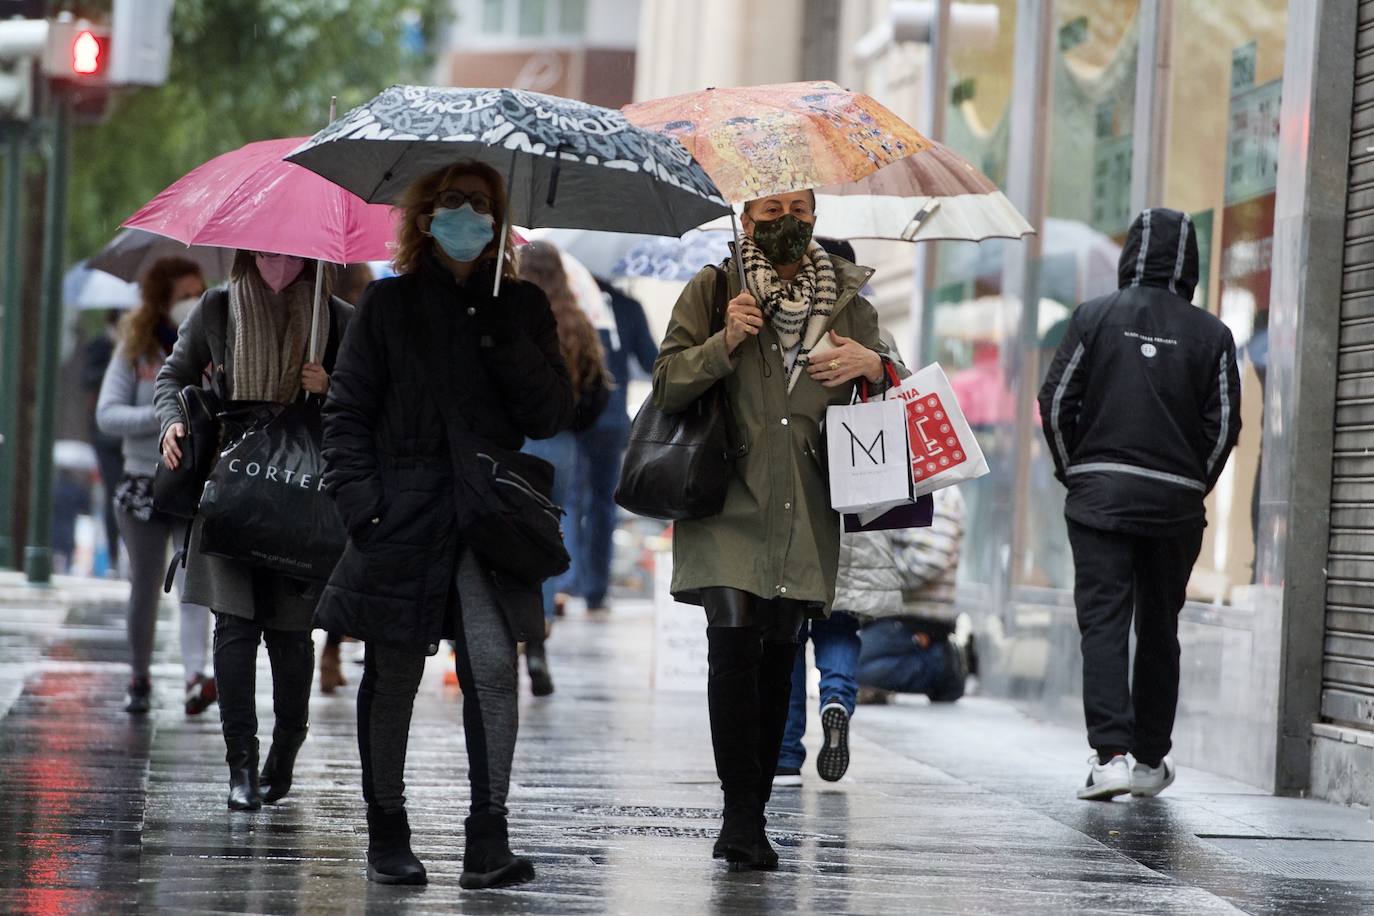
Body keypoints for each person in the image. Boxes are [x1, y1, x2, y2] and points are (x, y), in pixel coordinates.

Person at [317, 161, 573, 889]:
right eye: (453, 202)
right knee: (394, 670)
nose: (468, 214)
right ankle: (387, 832)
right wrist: (364, 508)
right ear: (425, 217)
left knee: (494, 666)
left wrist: (503, 337)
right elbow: (347, 413)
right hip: (403, 511)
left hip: (489, 514)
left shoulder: (518, 305)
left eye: (482, 204)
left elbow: (551, 414)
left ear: (499, 221)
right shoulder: (389, 305)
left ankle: (487, 839)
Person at [653, 190, 896, 870]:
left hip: (807, 508)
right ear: (747, 215)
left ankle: (751, 809)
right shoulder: (713, 288)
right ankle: (739, 815)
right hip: (727, 500)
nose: (784, 221)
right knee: (731, 647)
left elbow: (893, 401)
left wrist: (872, 369)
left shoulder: (853, 305)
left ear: (815, 215)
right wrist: (724, 341)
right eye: (769, 208)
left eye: (798, 206)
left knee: (777, 659)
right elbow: (667, 383)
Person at [1037, 207, 1240, 801]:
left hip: (1099, 496)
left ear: (1130, 255)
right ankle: (1151, 760)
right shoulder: (1214, 334)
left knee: (1103, 620)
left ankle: (1111, 757)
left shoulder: (1094, 318)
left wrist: (1075, 472)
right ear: (1191, 262)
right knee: (1160, 626)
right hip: (1174, 506)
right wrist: (1191, 483)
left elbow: (1054, 406)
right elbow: (1224, 424)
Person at [156, 250, 352, 812]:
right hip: (231, 488)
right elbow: (174, 375)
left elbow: (372, 401)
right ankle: (240, 765)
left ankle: (285, 749)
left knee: (291, 639)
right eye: (266, 246)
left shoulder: (337, 317)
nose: (277, 258)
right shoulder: (216, 308)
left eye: (291, 249)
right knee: (234, 630)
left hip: (304, 497)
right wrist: (172, 420)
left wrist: (330, 385)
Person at [772, 238, 871, 789]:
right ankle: (837, 698)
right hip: (859, 506)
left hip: (806, 504)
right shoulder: (868, 330)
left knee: (786, 634)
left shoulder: (797, 330)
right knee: (839, 627)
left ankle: (786, 752)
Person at [97, 257, 214, 715]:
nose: (193, 302)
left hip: (191, 485)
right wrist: (165, 417)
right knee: (144, 586)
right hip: (142, 484)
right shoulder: (136, 350)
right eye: (185, 294)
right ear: (163, 299)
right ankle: (139, 675)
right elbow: (107, 415)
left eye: (199, 292)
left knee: (193, 585)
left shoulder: (211, 345)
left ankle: (194, 677)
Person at [516, 241, 611, 696]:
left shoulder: (509, 315)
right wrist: (572, 422)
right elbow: (598, 390)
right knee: (549, 537)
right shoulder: (575, 321)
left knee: (504, 534)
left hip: (513, 443)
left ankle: (502, 631)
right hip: (562, 446)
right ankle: (539, 633)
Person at [573, 279, 657, 614]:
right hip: (611, 419)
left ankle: (572, 581)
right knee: (603, 506)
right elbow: (653, 361)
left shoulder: (570, 300)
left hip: (575, 416)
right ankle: (595, 587)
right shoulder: (626, 306)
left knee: (571, 501)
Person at [855, 486, 969, 705]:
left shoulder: (939, 490)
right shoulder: (905, 483)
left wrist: (878, 574)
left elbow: (928, 560)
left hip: (916, 620)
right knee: (843, 662)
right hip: (896, 614)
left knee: (851, 668)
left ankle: (942, 667)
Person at [318, 262, 375, 695]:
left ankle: (329, 646)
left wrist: (327, 382)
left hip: (336, 455)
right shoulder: (334, 312)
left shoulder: (353, 315)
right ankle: (330, 647)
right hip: (342, 456)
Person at [83, 309, 125, 572]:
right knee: (114, 493)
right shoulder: (102, 345)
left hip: (135, 436)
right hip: (107, 436)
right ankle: (113, 556)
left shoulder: (147, 343)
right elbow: (87, 379)